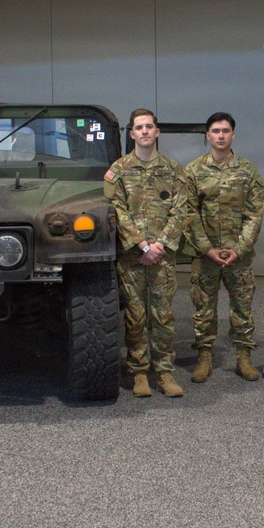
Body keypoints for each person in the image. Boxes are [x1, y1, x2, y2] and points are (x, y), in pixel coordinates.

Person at [103, 108, 189, 398]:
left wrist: (160, 245)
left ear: (157, 131)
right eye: (138, 127)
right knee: (136, 316)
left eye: (149, 126)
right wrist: (141, 245)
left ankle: (164, 373)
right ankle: (139, 373)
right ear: (131, 133)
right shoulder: (119, 170)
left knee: (163, 315)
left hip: (162, 257)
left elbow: (181, 210)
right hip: (132, 257)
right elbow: (116, 210)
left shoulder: (173, 170)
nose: (144, 132)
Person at [183, 112, 264, 383]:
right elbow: (188, 214)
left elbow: (255, 214)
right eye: (215, 131)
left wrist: (239, 249)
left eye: (226, 131)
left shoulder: (248, 171)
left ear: (233, 134)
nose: (220, 135)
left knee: (242, 307)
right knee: (203, 307)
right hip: (205, 255)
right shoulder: (193, 171)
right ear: (207, 136)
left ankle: (243, 357)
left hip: (238, 256)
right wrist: (207, 248)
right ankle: (204, 357)